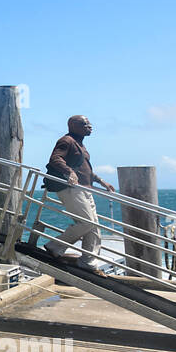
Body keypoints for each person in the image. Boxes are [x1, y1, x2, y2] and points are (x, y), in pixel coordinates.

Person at [44, 115, 115, 272]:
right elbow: (55, 159)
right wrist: (69, 172)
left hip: (84, 188)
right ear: (73, 126)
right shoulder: (66, 141)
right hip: (70, 188)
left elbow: (85, 171)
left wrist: (102, 181)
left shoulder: (80, 145)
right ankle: (54, 246)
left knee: (94, 227)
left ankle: (88, 262)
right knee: (87, 222)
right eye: (85, 124)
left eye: (89, 123)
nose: (89, 126)